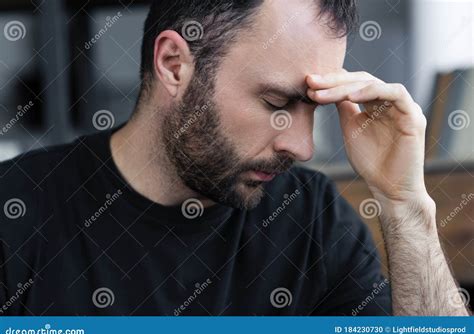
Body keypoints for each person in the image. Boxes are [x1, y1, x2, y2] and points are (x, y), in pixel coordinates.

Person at [0, 0, 470, 316]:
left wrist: (404, 203)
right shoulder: (16, 213)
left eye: (313, 107)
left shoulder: (312, 220)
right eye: (277, 104)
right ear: (174, 65)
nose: (302, 147)